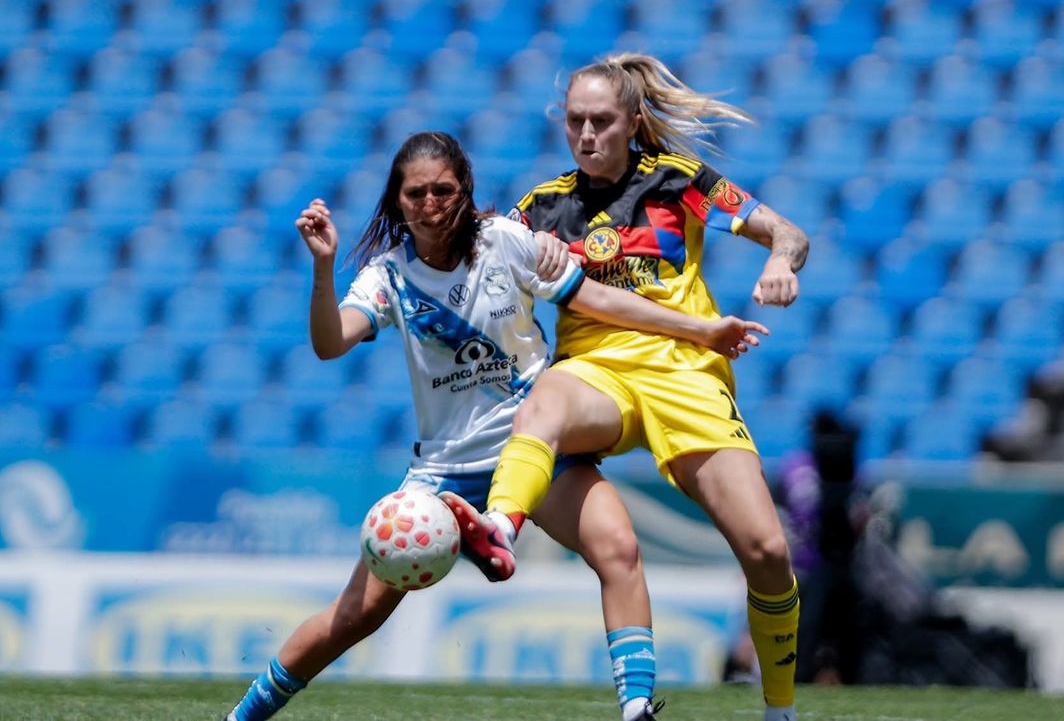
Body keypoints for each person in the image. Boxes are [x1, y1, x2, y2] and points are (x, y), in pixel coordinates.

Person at [224, 131, 768, 721]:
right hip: (444, 471)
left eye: (443, 190)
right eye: (416, 193)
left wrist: (699, 330)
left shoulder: (506, 243)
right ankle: (242, 717)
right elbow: (331, 344)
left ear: (465, 191)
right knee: (353, 617)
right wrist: (324, 268)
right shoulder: (388, 277)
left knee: (619, 548)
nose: (430, 203)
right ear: (396, 201)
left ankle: (636, 707)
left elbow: (599, 301)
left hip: (533, 446)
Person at [446, 54, 811, 721]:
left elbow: (786, 231)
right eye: (576, 122)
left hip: (685, 374)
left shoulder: (682, 183)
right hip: (598, 373)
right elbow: (483, 276)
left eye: (602, 122)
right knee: (547, 400)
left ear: (633, 123)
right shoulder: (541, 209)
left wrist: (781, 264)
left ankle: (780, 709)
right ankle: (500, 525)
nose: (586, 135)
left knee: (767, 552)